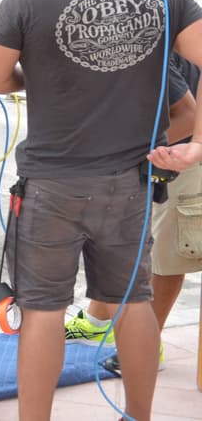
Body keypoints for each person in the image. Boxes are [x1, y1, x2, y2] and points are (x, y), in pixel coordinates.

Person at [0, 0, 202, 421]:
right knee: (133, 304)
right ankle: (139, 416)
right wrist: (193, 146)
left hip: (52, 186)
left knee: (43, 311)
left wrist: (33, 76)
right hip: (129, 183)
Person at [64, 53, 202, 374]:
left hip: (182, 154)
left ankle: (147, 346)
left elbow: (185, 115)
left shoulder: (147, 47)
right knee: (115, 240)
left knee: (166, 254)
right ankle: (99, 321)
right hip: (154, 152)